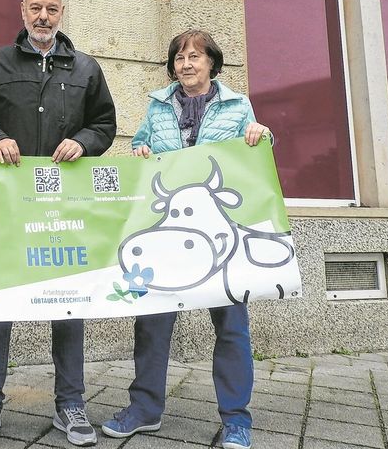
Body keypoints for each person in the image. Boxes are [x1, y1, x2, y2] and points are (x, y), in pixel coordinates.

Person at [0, 0, 117, 447]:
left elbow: (104, 124)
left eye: (51, 8)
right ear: (22, 11)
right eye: (35, 8)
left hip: (63, 207)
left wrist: (83, 143)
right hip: (8, 207)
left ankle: (71, 405)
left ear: (62, 12)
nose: (43, 16)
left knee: (69, 304)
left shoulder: (86, 68)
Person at [100, 29, 270, 449]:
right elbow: (142, 145)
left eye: (196, 56)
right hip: (166, 232)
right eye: (179, 57)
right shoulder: (158, 106)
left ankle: (235, 418)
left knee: (231, 328)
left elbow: (259, 152)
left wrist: (261, 136)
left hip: (221, 233)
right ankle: (145, 409)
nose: (187, 63)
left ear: (212, 62)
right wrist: (139, 151)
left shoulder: (237, 105)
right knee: (152, 323)